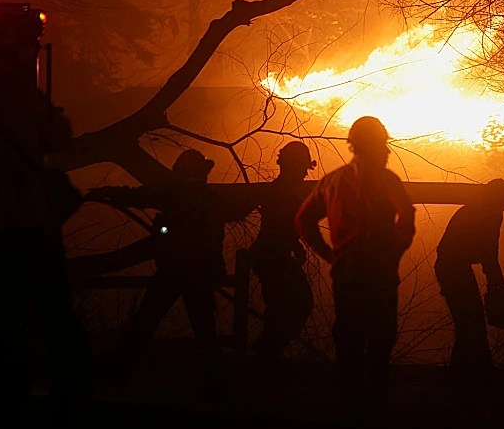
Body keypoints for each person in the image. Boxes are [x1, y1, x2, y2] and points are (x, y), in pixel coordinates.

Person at [0, 5, 91, 425]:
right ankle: (67, 399)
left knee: (7, 317)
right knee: (55, 314)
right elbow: (56, 136)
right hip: (31, 222)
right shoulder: (19, 92)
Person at [295, 116, 415, 415]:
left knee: (349, 339)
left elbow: (303, 220)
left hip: (347, 271)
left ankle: (349, 407)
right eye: (383, 145)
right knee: (380, 339)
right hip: (379, 271)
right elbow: (407, 219)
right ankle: (373, 409)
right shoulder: (387, 181)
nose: (387, 151)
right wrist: (393, 252)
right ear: (376, 145)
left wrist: (330, 254)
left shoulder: (332, 181)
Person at [91, 149, 244, 380]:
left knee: (147, 321)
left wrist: (108, 193)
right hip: (195, 272)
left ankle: (119, 370)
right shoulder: (209, 199)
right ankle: (215, 381)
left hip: (176, 270)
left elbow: (138, 196)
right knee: (202, 328)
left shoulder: (176, 193)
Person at [434, 178, 504, 383]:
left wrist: (497, 284)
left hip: (454, 267)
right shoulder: (486, 214)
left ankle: (467, 373)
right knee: (470, 322)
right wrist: (499, 284)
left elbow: (489, 255)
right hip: (452, 268)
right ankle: (467, 375)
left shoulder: (484, 212)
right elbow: (489, 255)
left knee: (471, 322)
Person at [248, 141, 316, 369]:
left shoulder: (283, 190)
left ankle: (265, 357)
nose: (305, 173)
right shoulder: (283, 192)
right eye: (303, 167)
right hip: (272, 256)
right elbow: (280, 225)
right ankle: (265, 356)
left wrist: (294, 245)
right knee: (299, 303)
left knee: (283, 306)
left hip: (271, 255)